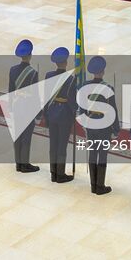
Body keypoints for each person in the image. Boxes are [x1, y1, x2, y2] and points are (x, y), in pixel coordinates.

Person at [82, 56, 117, 195]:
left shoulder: (85, 86)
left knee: (92, 153)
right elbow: (113, 111)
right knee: (102, 155)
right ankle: (100, 186)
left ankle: (93, 185)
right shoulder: (108, 88)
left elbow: (82, 107)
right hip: (104, 125)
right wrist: (116, 129)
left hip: (91, 123)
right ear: (103, 71)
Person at [45, 47, 77, 183]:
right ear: (66, 62)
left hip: (51, 113)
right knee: (62, 146)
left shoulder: (49, 76)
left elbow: (46, 98)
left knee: (53, 144)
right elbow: (72, 101)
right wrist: (75, 113)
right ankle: (60, 174)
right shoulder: (71, 80)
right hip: (64, 115)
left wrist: (45, 115)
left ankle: (53, 173)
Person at [9, 40, 41, 173]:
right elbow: (35, 96)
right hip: (27, 107)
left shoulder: (13, 70)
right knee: (26, 137)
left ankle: (18, 164)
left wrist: (10, 107)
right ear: (30, 55)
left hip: (16, 105)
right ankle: (25, 164)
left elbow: (11, 90)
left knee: (18, 136)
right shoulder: (33, 73)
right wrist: (39, 114)